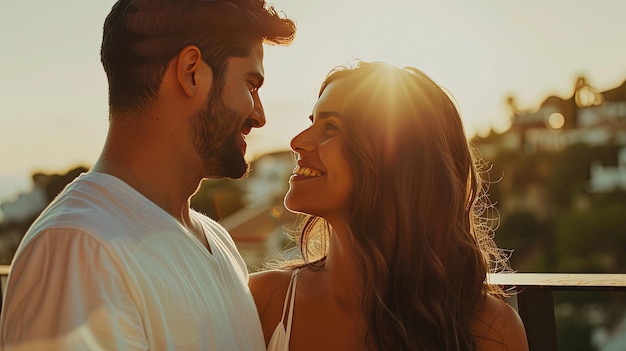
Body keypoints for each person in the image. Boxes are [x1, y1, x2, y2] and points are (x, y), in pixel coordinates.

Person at [0, 0, 295, 350]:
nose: (259, 115)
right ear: (191, 73)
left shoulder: (217, 241)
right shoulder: (80, 249)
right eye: (251, 84)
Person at [250, 61, 529, 351]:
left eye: (331, 127)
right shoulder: (264, 301)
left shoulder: (490, 330)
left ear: (396, 160)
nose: (297, 142)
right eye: (313, 123)